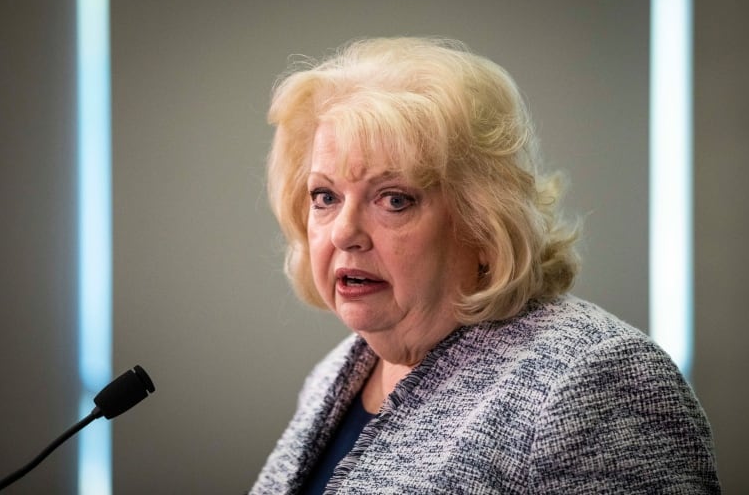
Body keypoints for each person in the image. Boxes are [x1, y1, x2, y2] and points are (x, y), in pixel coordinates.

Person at [249, 37, 719, 494]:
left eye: (394, 199)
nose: (344, 232)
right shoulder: (336, 373)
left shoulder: (593, 378)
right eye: (325, 197)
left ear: (482, 223)